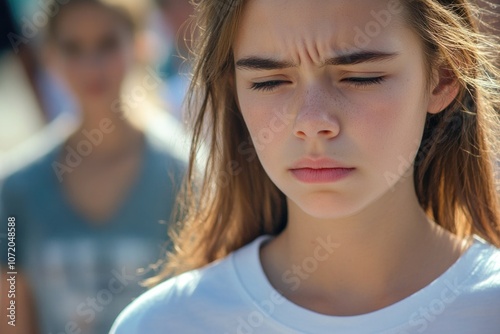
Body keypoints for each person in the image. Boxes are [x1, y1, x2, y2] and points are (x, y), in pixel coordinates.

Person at [110, 0, 500, 333]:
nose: (311, 121)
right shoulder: (163, 324)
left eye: (361, 77)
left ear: (443, 76)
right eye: (269, 81)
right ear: (233, 88)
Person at [0, 0, 186, 333]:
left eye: (107, 44)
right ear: (49, 57)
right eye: (73, 48)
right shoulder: (16, 187)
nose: (91, 64)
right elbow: (12, 315)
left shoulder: (184, 171)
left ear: (141, 45)